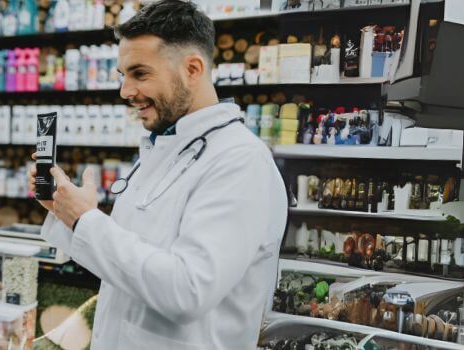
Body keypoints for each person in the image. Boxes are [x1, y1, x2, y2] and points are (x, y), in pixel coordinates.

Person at [30, 1, 288, 348]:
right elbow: (128, 267)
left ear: (192, 69)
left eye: (140, 73)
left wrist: (85, 221)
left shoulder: (240, 161)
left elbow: (188, 290)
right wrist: (67, 213)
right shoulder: (164, 148)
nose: (125, 91)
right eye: (124, 75)